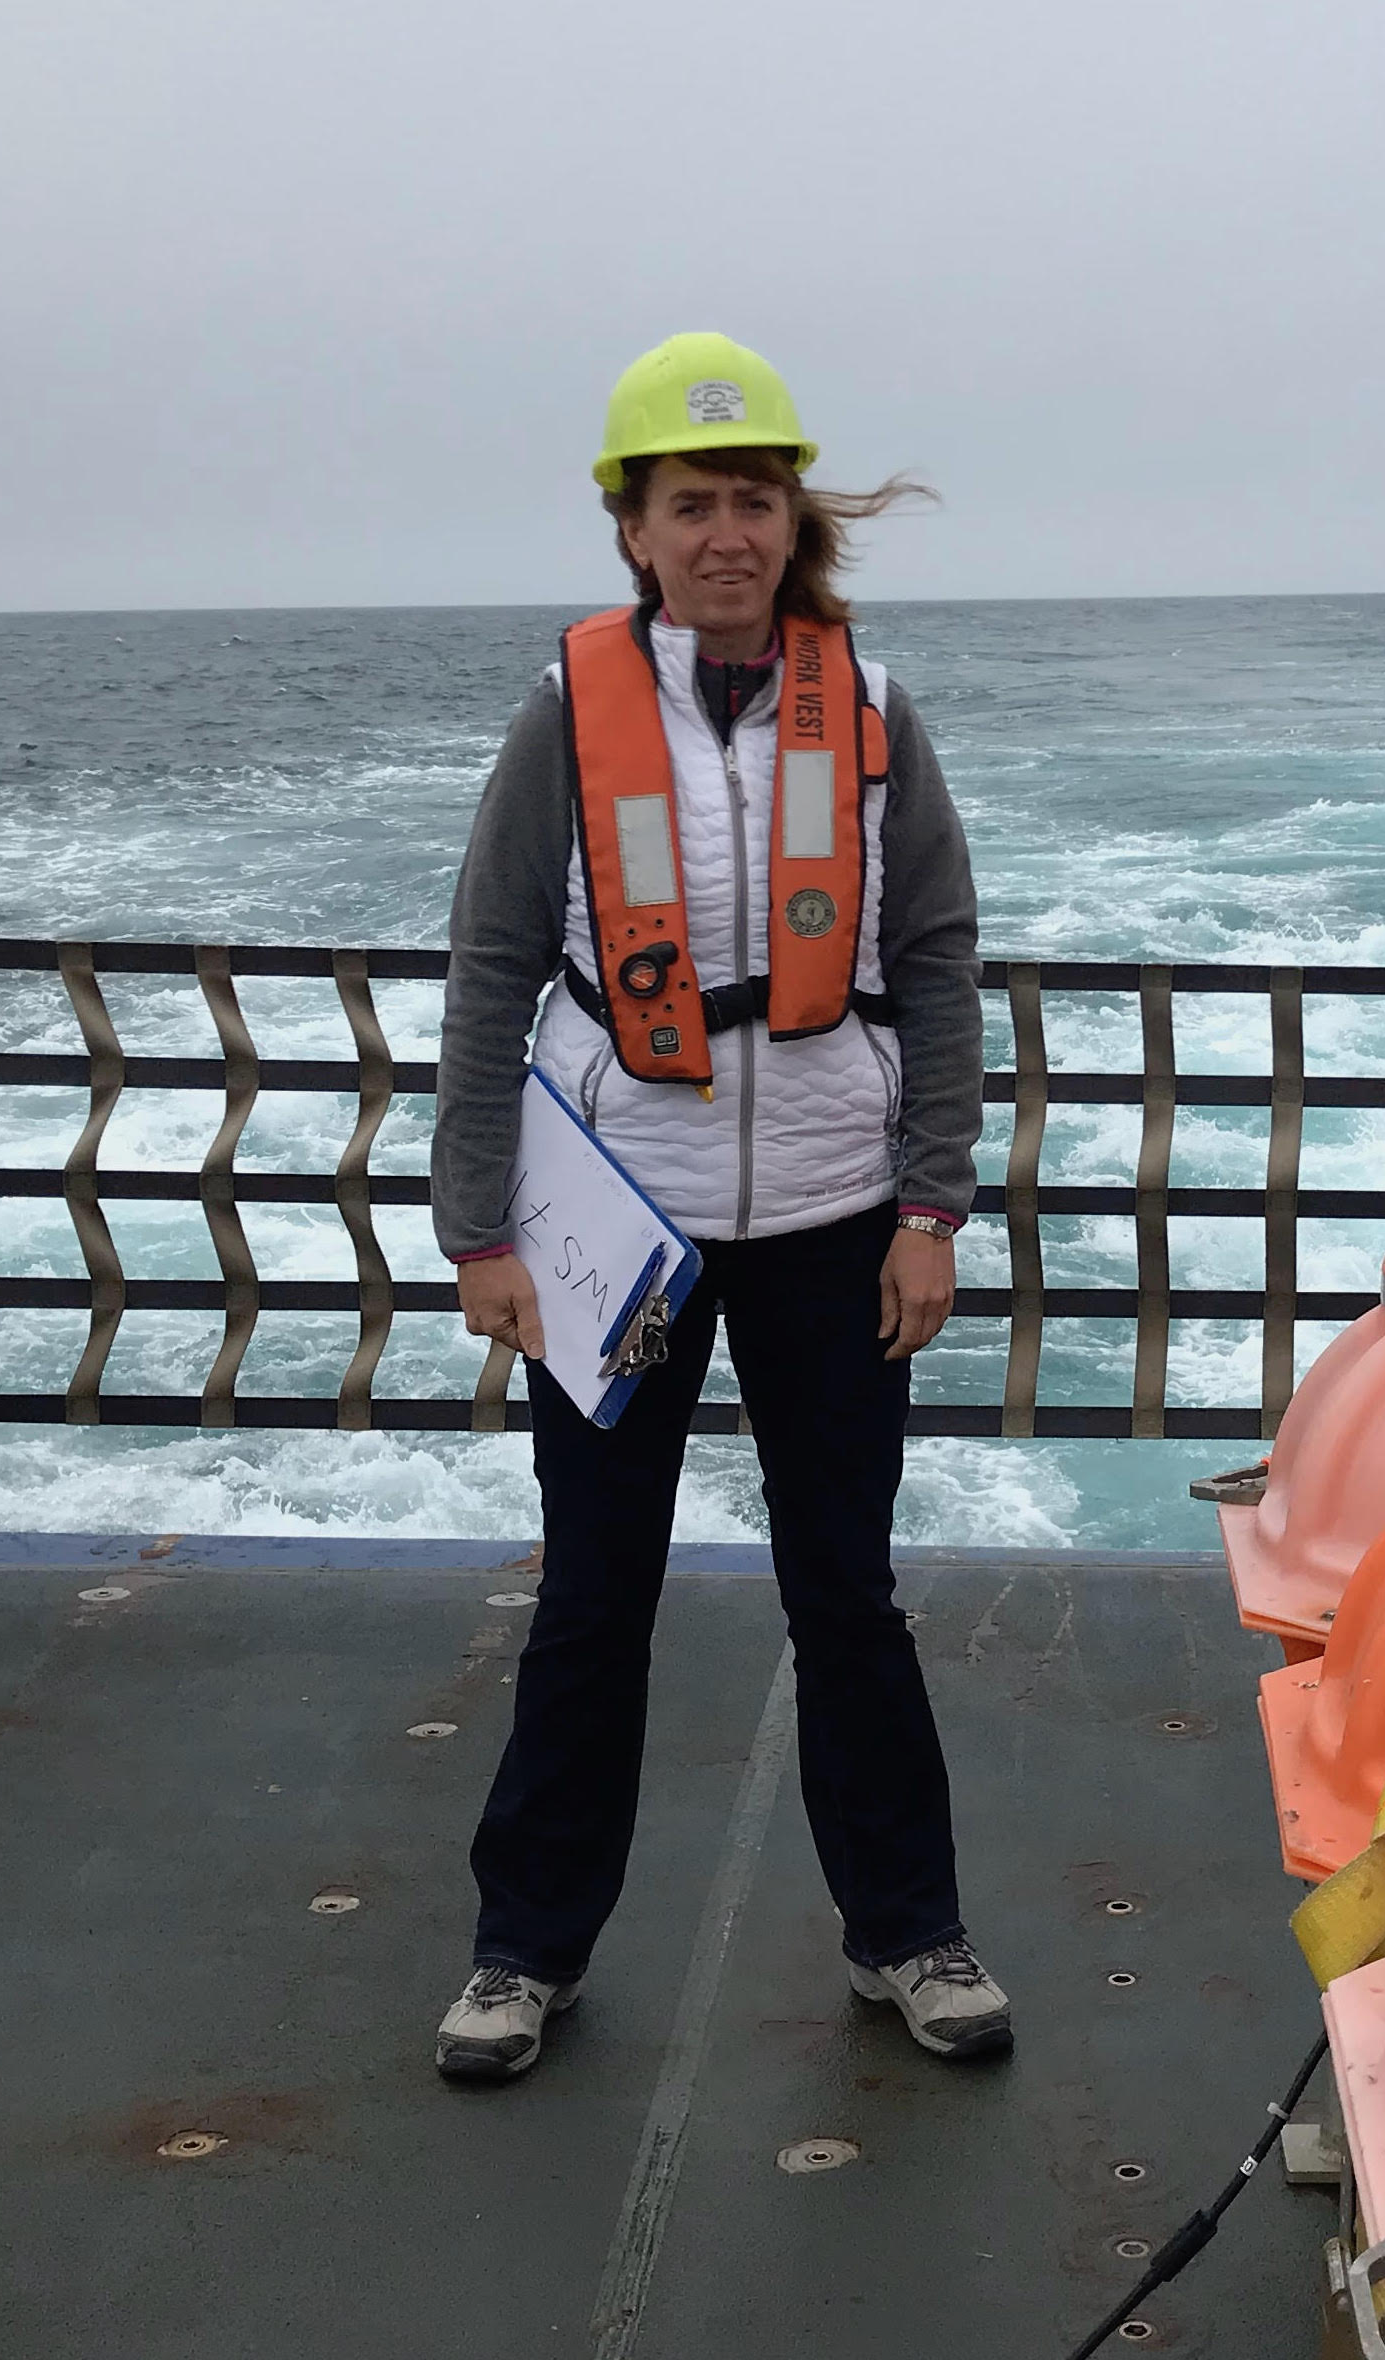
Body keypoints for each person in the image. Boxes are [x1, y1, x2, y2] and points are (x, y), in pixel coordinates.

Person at [428, 331, 1007, 2080]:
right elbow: (493, 967)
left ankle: (909, 1933)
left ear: (791, 518)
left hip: (838, 1214)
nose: (726, 533)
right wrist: (481, 1235)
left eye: (752, 498)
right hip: (630, 1220)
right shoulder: (566, 715)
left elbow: (935, 961)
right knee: (594, 1596)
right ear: (635, 528)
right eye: (691, 504)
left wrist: (933, 1210)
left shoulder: (878, 712)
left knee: (849, 1592)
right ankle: (524, 1953)